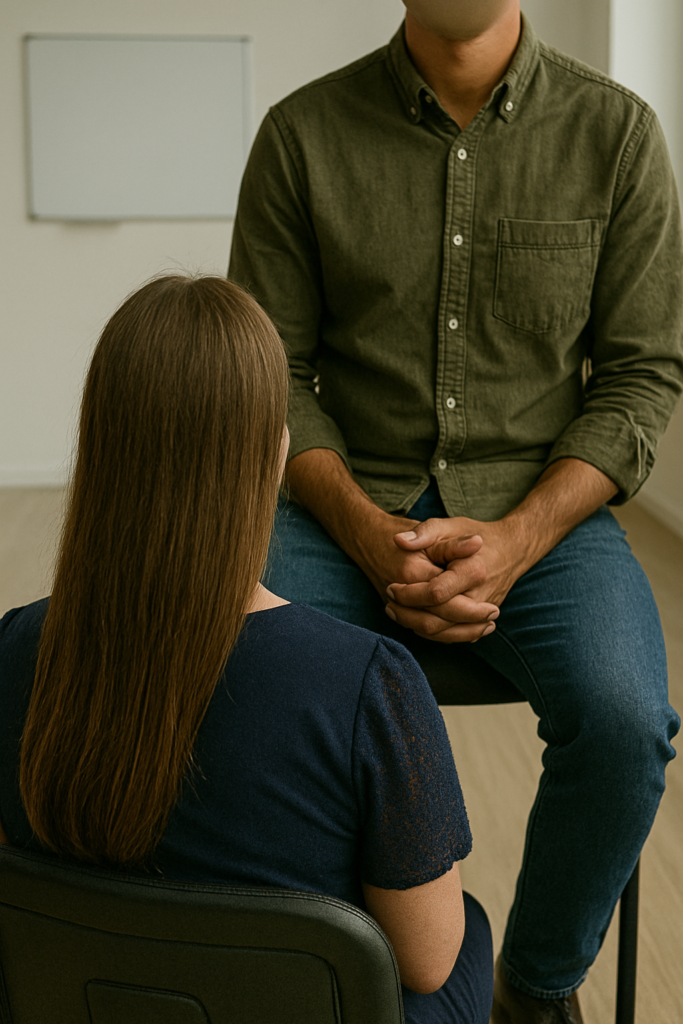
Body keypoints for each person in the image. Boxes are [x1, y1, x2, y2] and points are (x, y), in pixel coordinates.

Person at [227, 1, 683, 1021]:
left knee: (623, 721)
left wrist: (518, 537)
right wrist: (356, 524)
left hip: (540, 509)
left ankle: (532, 988)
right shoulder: (302, 134)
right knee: (235, 681)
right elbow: (275, 375)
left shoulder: (614, 132)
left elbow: (638, 378)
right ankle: (325, 969)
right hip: (342, 501)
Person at [0, 275, 494, 1023]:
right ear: (273, 453)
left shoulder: (12, 649)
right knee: (469, 935)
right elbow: (425, 958)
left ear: (100, 441)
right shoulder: (366, 684)